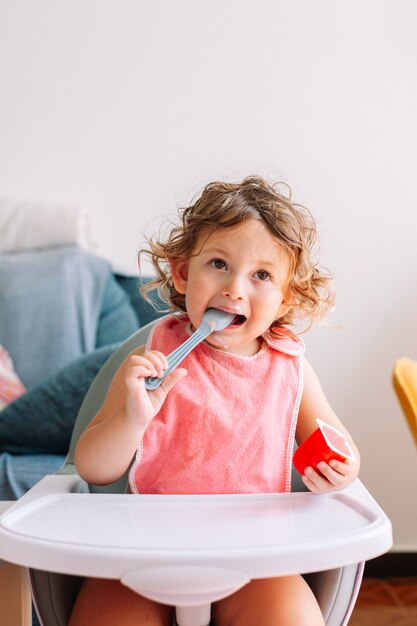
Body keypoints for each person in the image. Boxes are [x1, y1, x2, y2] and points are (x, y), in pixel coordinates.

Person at [69, 176, 360, 626]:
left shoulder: (290, 370)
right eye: (219, 264)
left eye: (262, 274)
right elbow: (92, 467)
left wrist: (341, 470)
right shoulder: (153, 356)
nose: (235, 289)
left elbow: (338, 444)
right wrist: (131, 419)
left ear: (286, 298)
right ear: (183, 273)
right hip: (145, 546)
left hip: (259, 554)